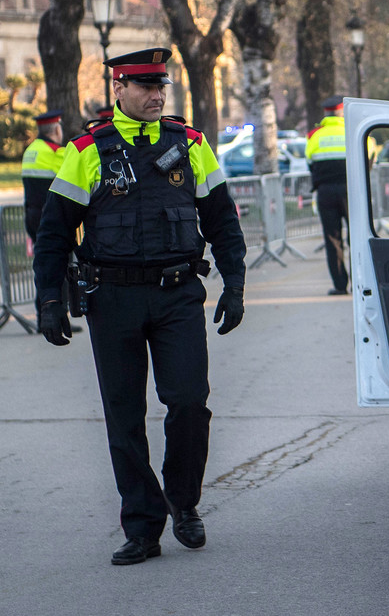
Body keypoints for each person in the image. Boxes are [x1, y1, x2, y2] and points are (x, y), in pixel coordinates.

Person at [32, 47, 247, 566]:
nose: (156, 95)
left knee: (190, 403)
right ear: (119, 90)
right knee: (124, 417)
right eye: (145, 86)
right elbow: (54, 232)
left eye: (161, 87)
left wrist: (235, 284)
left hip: (176, 296)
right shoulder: (87, 150)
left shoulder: (190, 144)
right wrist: (48, 300)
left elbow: (222, 222)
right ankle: (143, 526)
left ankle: (183, 502)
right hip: (113, 299)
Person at [21, 109, 67, 328]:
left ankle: (42, 317)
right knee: (58, 264)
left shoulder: (31, 150)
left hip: (31, 214)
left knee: (41, 264)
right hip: (50, 217)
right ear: (56, 129)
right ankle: (57, 315)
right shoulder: (56, 153)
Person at [305, 95, 349, 295]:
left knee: (333, 239)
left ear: (326, 113)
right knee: (358, 236)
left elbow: (310, 163)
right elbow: (369, 156)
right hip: (351, 191)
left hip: (325, 192)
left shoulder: (315, 135)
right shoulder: (351, 131)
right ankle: (363, 283)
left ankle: (340, 285)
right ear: (341, 112)